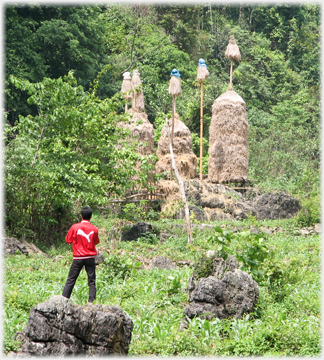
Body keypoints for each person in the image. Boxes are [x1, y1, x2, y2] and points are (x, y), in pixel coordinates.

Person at [62, 206, 100, 303]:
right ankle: (91, 302)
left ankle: (64, 300)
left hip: (78, 258)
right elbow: (95, 242)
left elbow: (68, 240)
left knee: (71, 280)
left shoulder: (74, 227)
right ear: (91, 216)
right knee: (92, 281)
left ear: (81, 216)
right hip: (90, 257)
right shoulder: (94, 229)